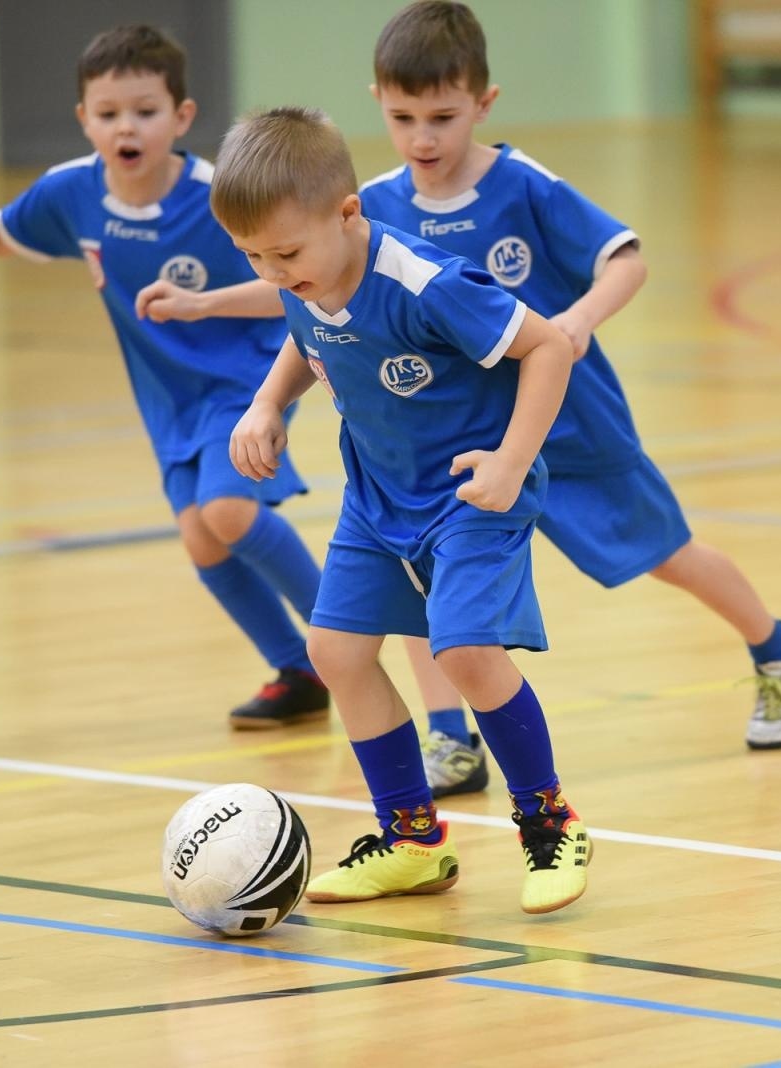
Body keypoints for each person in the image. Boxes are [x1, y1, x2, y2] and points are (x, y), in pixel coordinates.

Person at [359, 1, 781, 796]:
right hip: (454, 439)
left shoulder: (525, 187)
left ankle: (776, 646)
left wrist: (574, 321)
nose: (423, 139)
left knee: (662, 553)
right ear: (378, 104)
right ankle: (449, 738)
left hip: (567, 424)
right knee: (420, 578)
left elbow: (626, 258)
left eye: (443, 116)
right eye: (404, 118)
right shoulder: (374, 207)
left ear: (485, 103)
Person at [0, 25, 330, 729]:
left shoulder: (222, 198)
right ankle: (297, 673)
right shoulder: (71, 195)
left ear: (182, 118)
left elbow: (298, 282)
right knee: (202, 536)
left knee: (229, 513)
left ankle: (343, 632)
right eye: (108, 114)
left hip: (249, 381)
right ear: (85, 121)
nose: (126, 127)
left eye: (144, 111)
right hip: (168, 402)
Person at [213, 106, 589, 914]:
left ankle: (550, 825)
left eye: (284, 253)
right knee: (336, 653)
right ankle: (412, 842)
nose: (274, 273)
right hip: (377, 496)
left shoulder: (425, 281)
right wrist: (268, 403)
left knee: (464, 651)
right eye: (252, 257)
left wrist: (512, 462)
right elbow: (304, 332)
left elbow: (550, 345)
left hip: (469, 493)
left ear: (350, 213)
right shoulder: (303, 276)